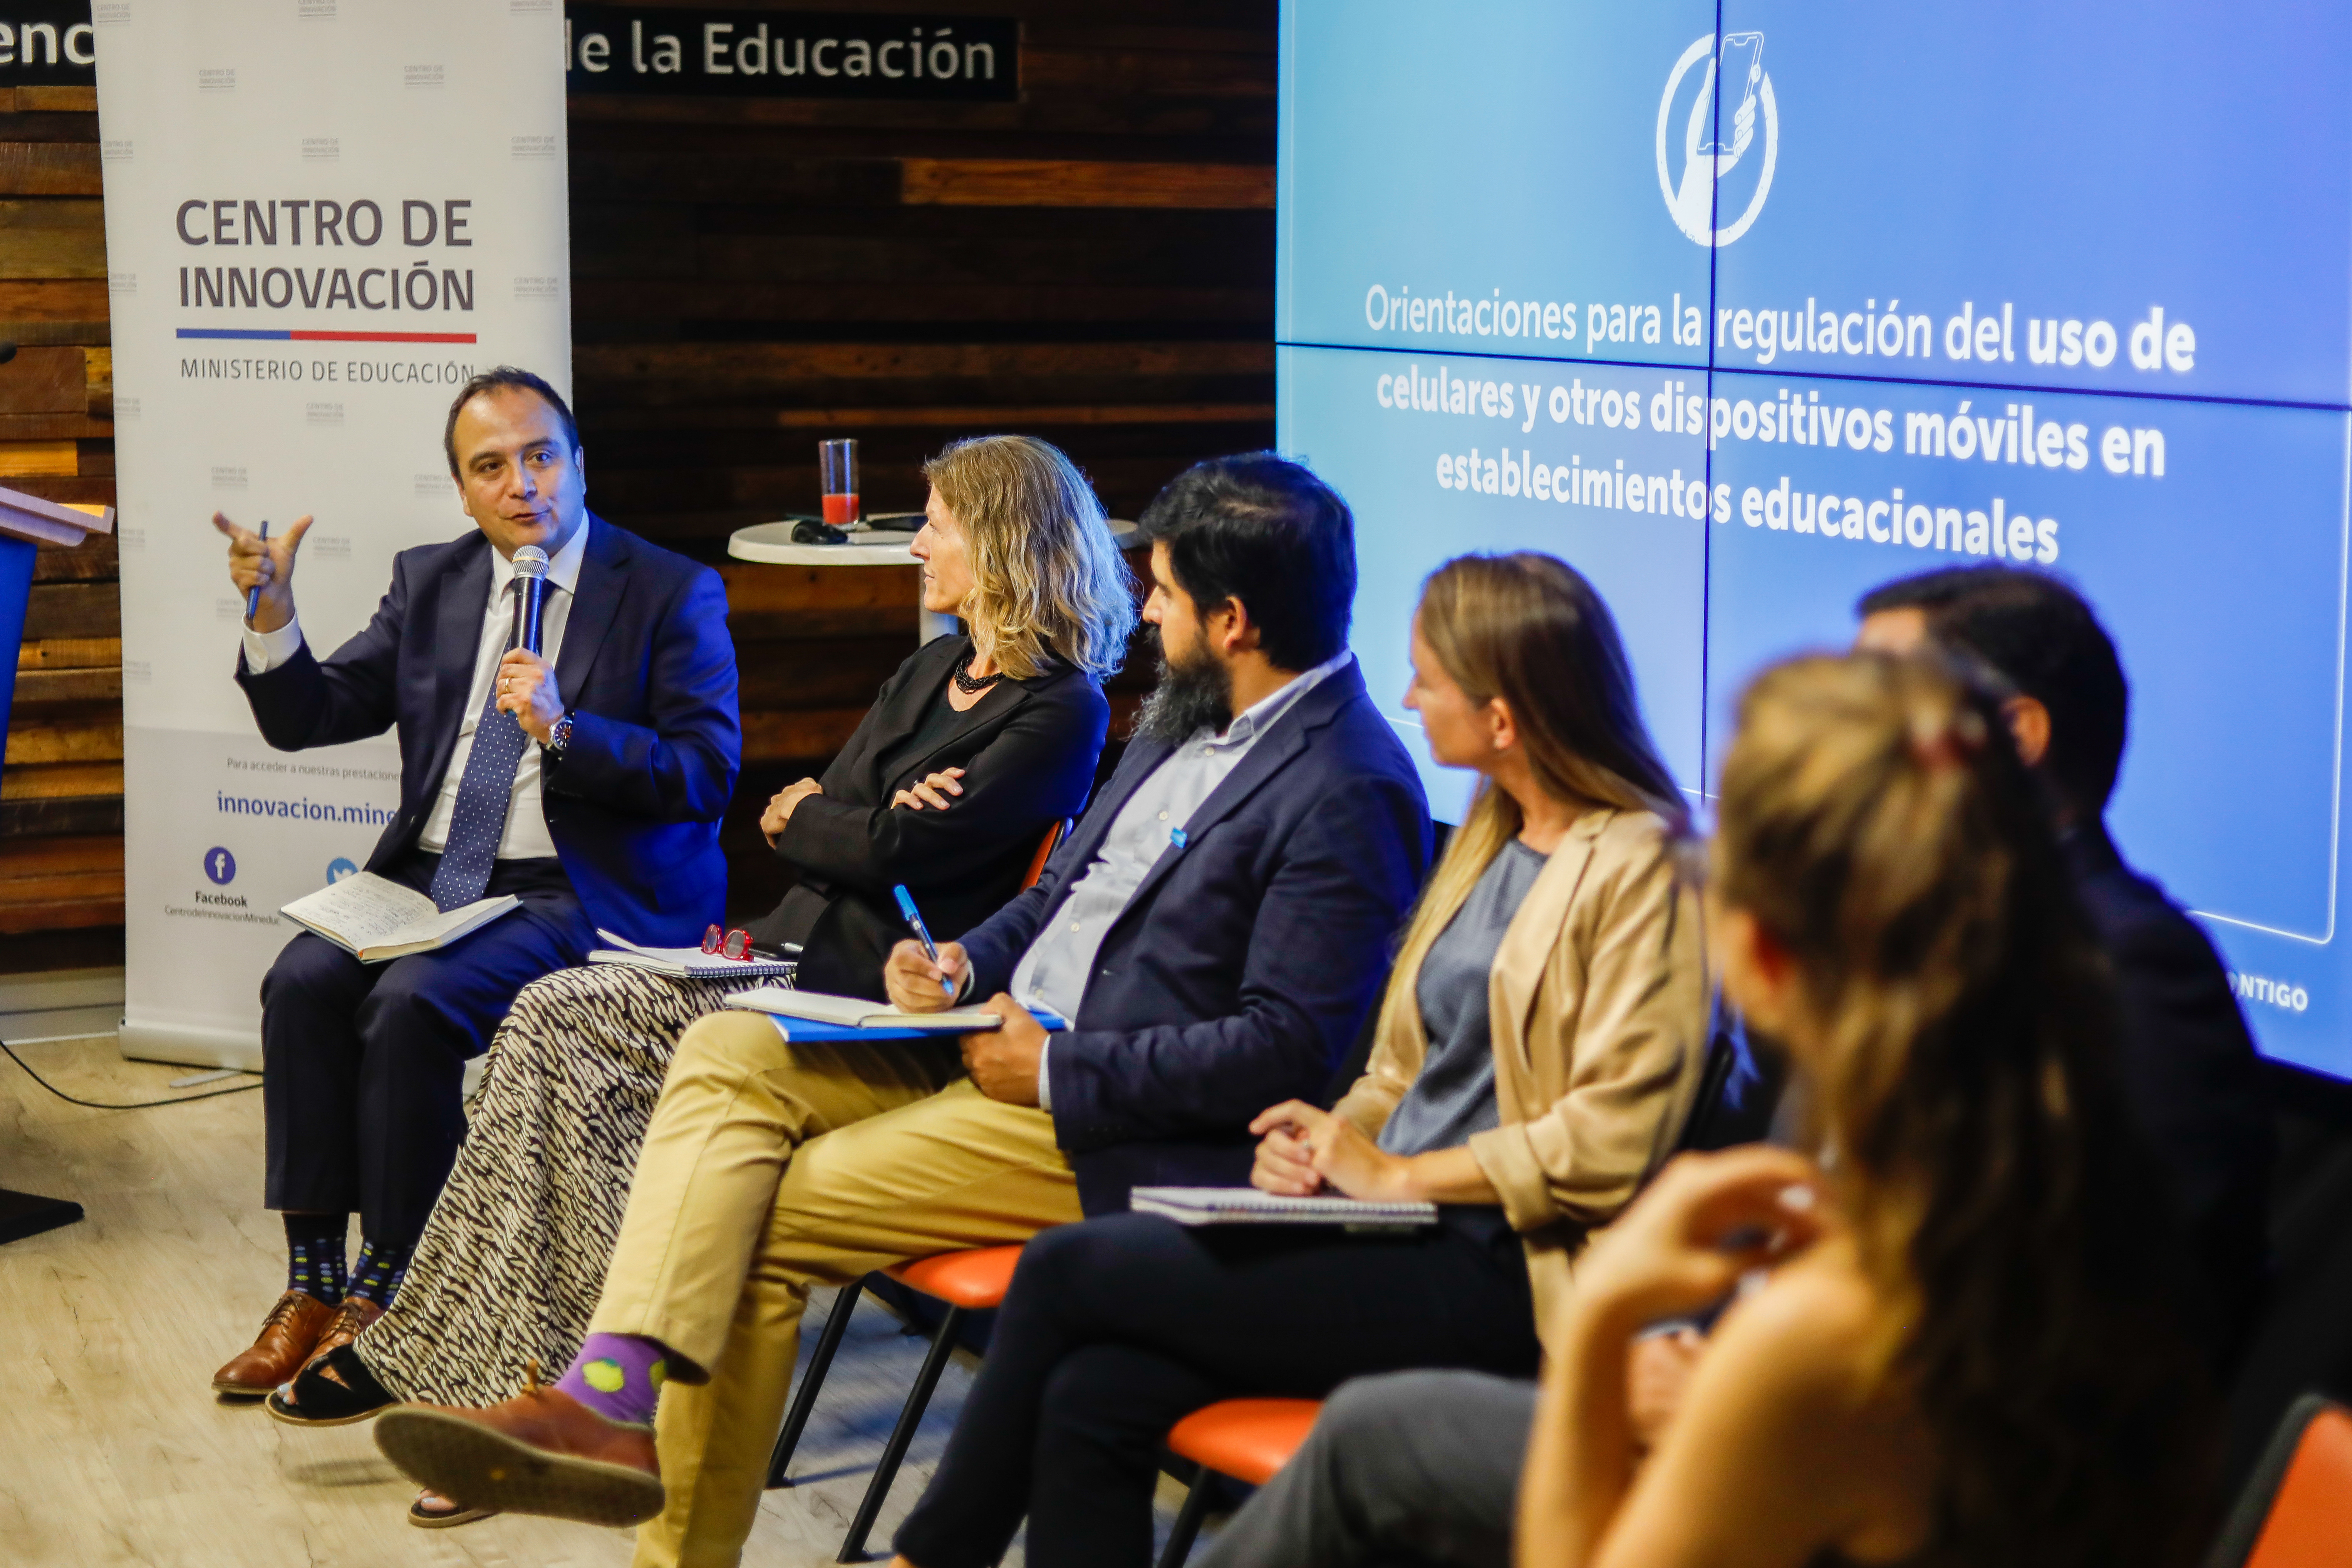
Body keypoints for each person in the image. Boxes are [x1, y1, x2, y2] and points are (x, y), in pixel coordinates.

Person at [369, 452, 1434, 1565]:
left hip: (1113, 1126)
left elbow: (1286, 1049)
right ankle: (609, 1400)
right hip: (981, 1041)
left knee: (743, 1223)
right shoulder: (1175, 722)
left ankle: (625, 1436)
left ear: (1234, 621)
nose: (1145, 612)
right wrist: (967, 963)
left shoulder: (1346, 784)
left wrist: (1058, 1073)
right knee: (728, 1050)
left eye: (1165, 595)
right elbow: (1059, 902)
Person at [262, 437, 1130, 1511]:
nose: (917, 543)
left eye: (937, 523)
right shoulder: (928, 670)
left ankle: (510, 1384)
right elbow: (803, 823)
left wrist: (840, 824)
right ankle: (498, 1376)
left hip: (862, 1004)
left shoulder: (1063, 707)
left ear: (1000, 543)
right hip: (776, 956)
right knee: (551, 1032)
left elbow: (876, 848)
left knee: (565, 1028)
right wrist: (848, 823)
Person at [1211, 652, 2215, 1568]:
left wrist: (1607, 1333)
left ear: (1766, 956)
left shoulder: (1837, 1335)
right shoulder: (2056, 1141)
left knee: (1373, 1437)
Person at [880, 551, 1710, 1568]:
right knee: (1093, 1391)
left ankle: (931, 1557)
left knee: (1064, 1269)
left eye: (1428, 680)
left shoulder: (1650, 870)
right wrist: (1333, 1140)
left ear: (1504, 717)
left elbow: (1609, 1141)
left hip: (1496, 1268)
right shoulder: (1491, 840)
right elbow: (1402, 1074)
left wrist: (1400, 1174)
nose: (1405, 696)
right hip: (1389, 1224)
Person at [207, 367, 740, 1402]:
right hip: (438, 876)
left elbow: (703, 774)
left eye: (541, 456)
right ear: (461, 491)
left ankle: (401, 1299)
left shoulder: (670, 589)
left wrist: (565, 729)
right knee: (302, 986)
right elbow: (312, 715)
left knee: (413, 1006)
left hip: (576, 887)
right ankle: (313, 1284)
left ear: (579, 464)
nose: (521, 484)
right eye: (490, 467)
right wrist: (272, 612)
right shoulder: (433, 579)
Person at [1853, 564, 2274, 1373]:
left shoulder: (2131, 965)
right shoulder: (1903, 936)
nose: (1841, 740)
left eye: (1882, 705)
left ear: (2015, 735)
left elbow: (2150, 1320)